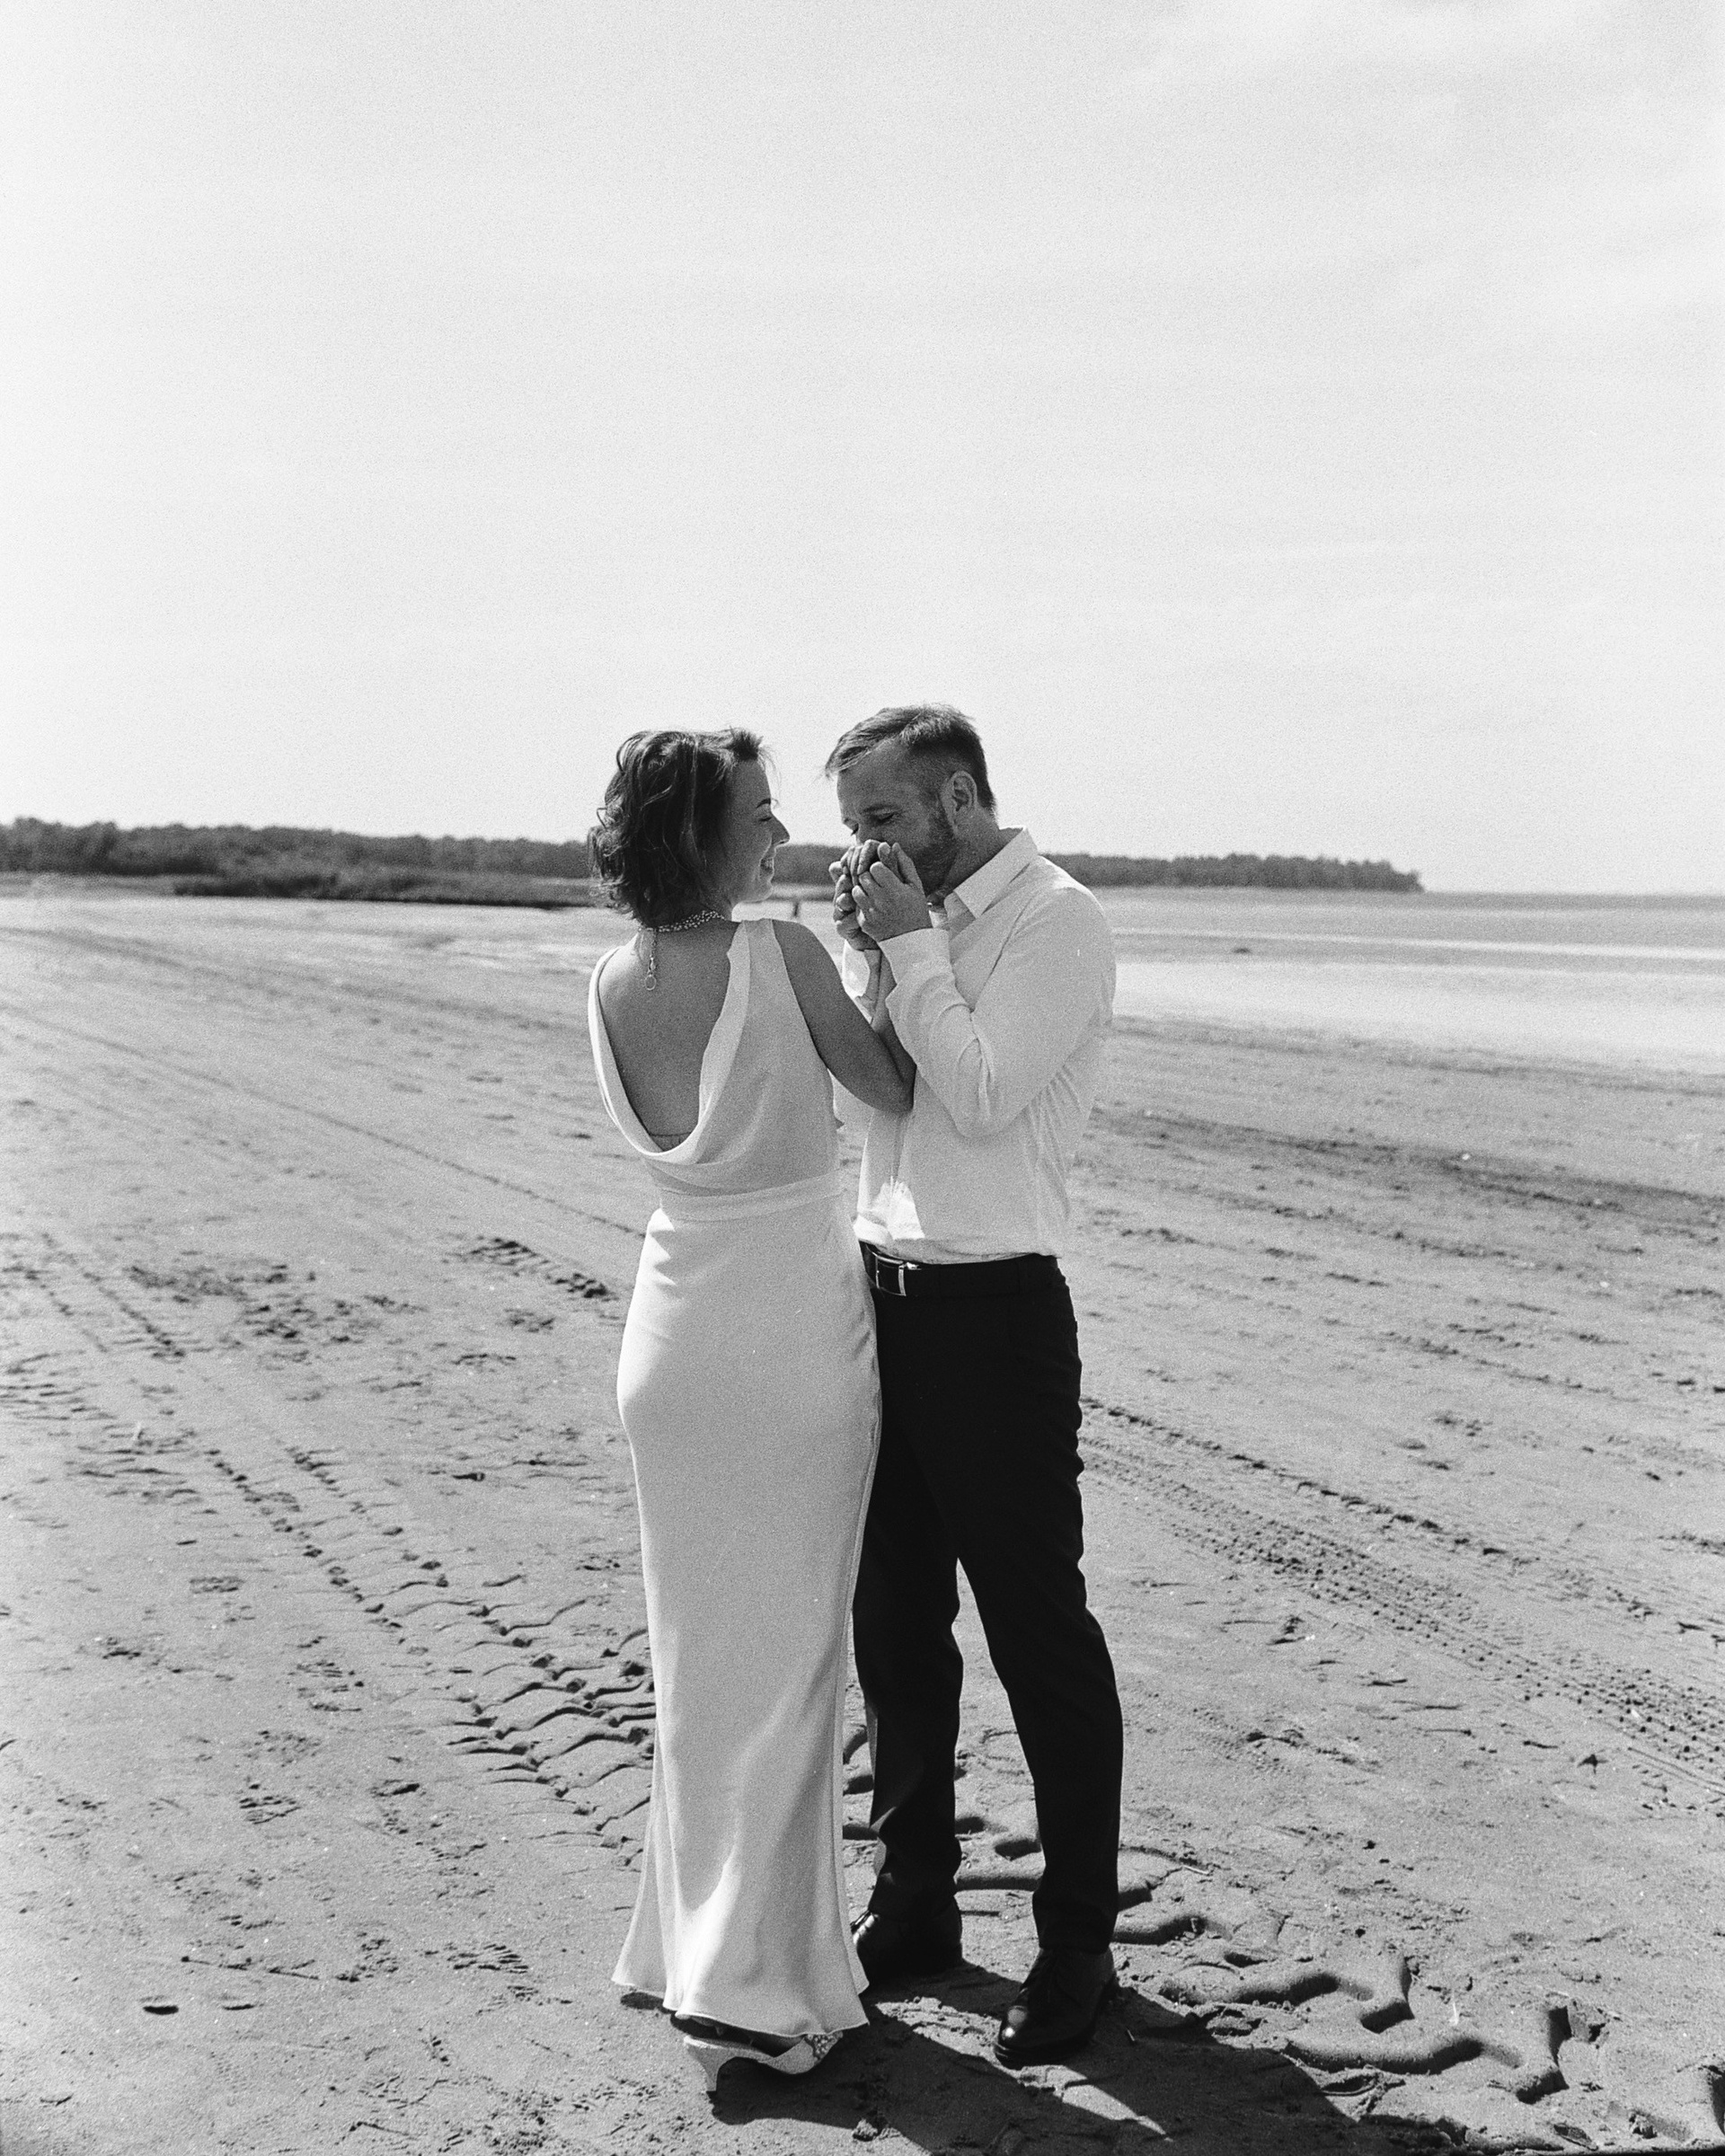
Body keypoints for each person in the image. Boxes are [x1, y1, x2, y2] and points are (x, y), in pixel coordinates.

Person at [586, 728, 915, 2093]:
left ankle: (688, 1950)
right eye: (761, 814)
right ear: (702, 834)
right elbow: (896, 1088)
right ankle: (758, 1994)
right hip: (786, 1333)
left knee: (699, 1661)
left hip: (672, 1338)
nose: (780, 835)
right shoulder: (779, 955)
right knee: (788, 1667)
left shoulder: (612, 977)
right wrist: (894, 953)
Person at [825, 703, 1124, 2068]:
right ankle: (915, 1905)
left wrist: (907, 951)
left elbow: (989, 1096)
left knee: (1037, 1636)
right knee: (894, 1631)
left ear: (959, 797)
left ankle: (1077, 1948)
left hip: (997, 1318)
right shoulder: (917, 926)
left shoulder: (1058, 920)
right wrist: (873, 964)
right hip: (877, 1300)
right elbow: (889, 1106)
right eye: (854, 830)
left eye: (884, 819)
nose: (868, 850)